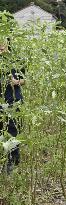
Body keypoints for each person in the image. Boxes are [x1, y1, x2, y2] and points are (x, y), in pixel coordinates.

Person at [0, 38, 25, 174]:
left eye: (2, 42)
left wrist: (17, 82)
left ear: (7, 42)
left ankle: (12, 160)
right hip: (1, 102)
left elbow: (26, 79)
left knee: (12, 130)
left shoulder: (17, 59)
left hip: (14, 101)